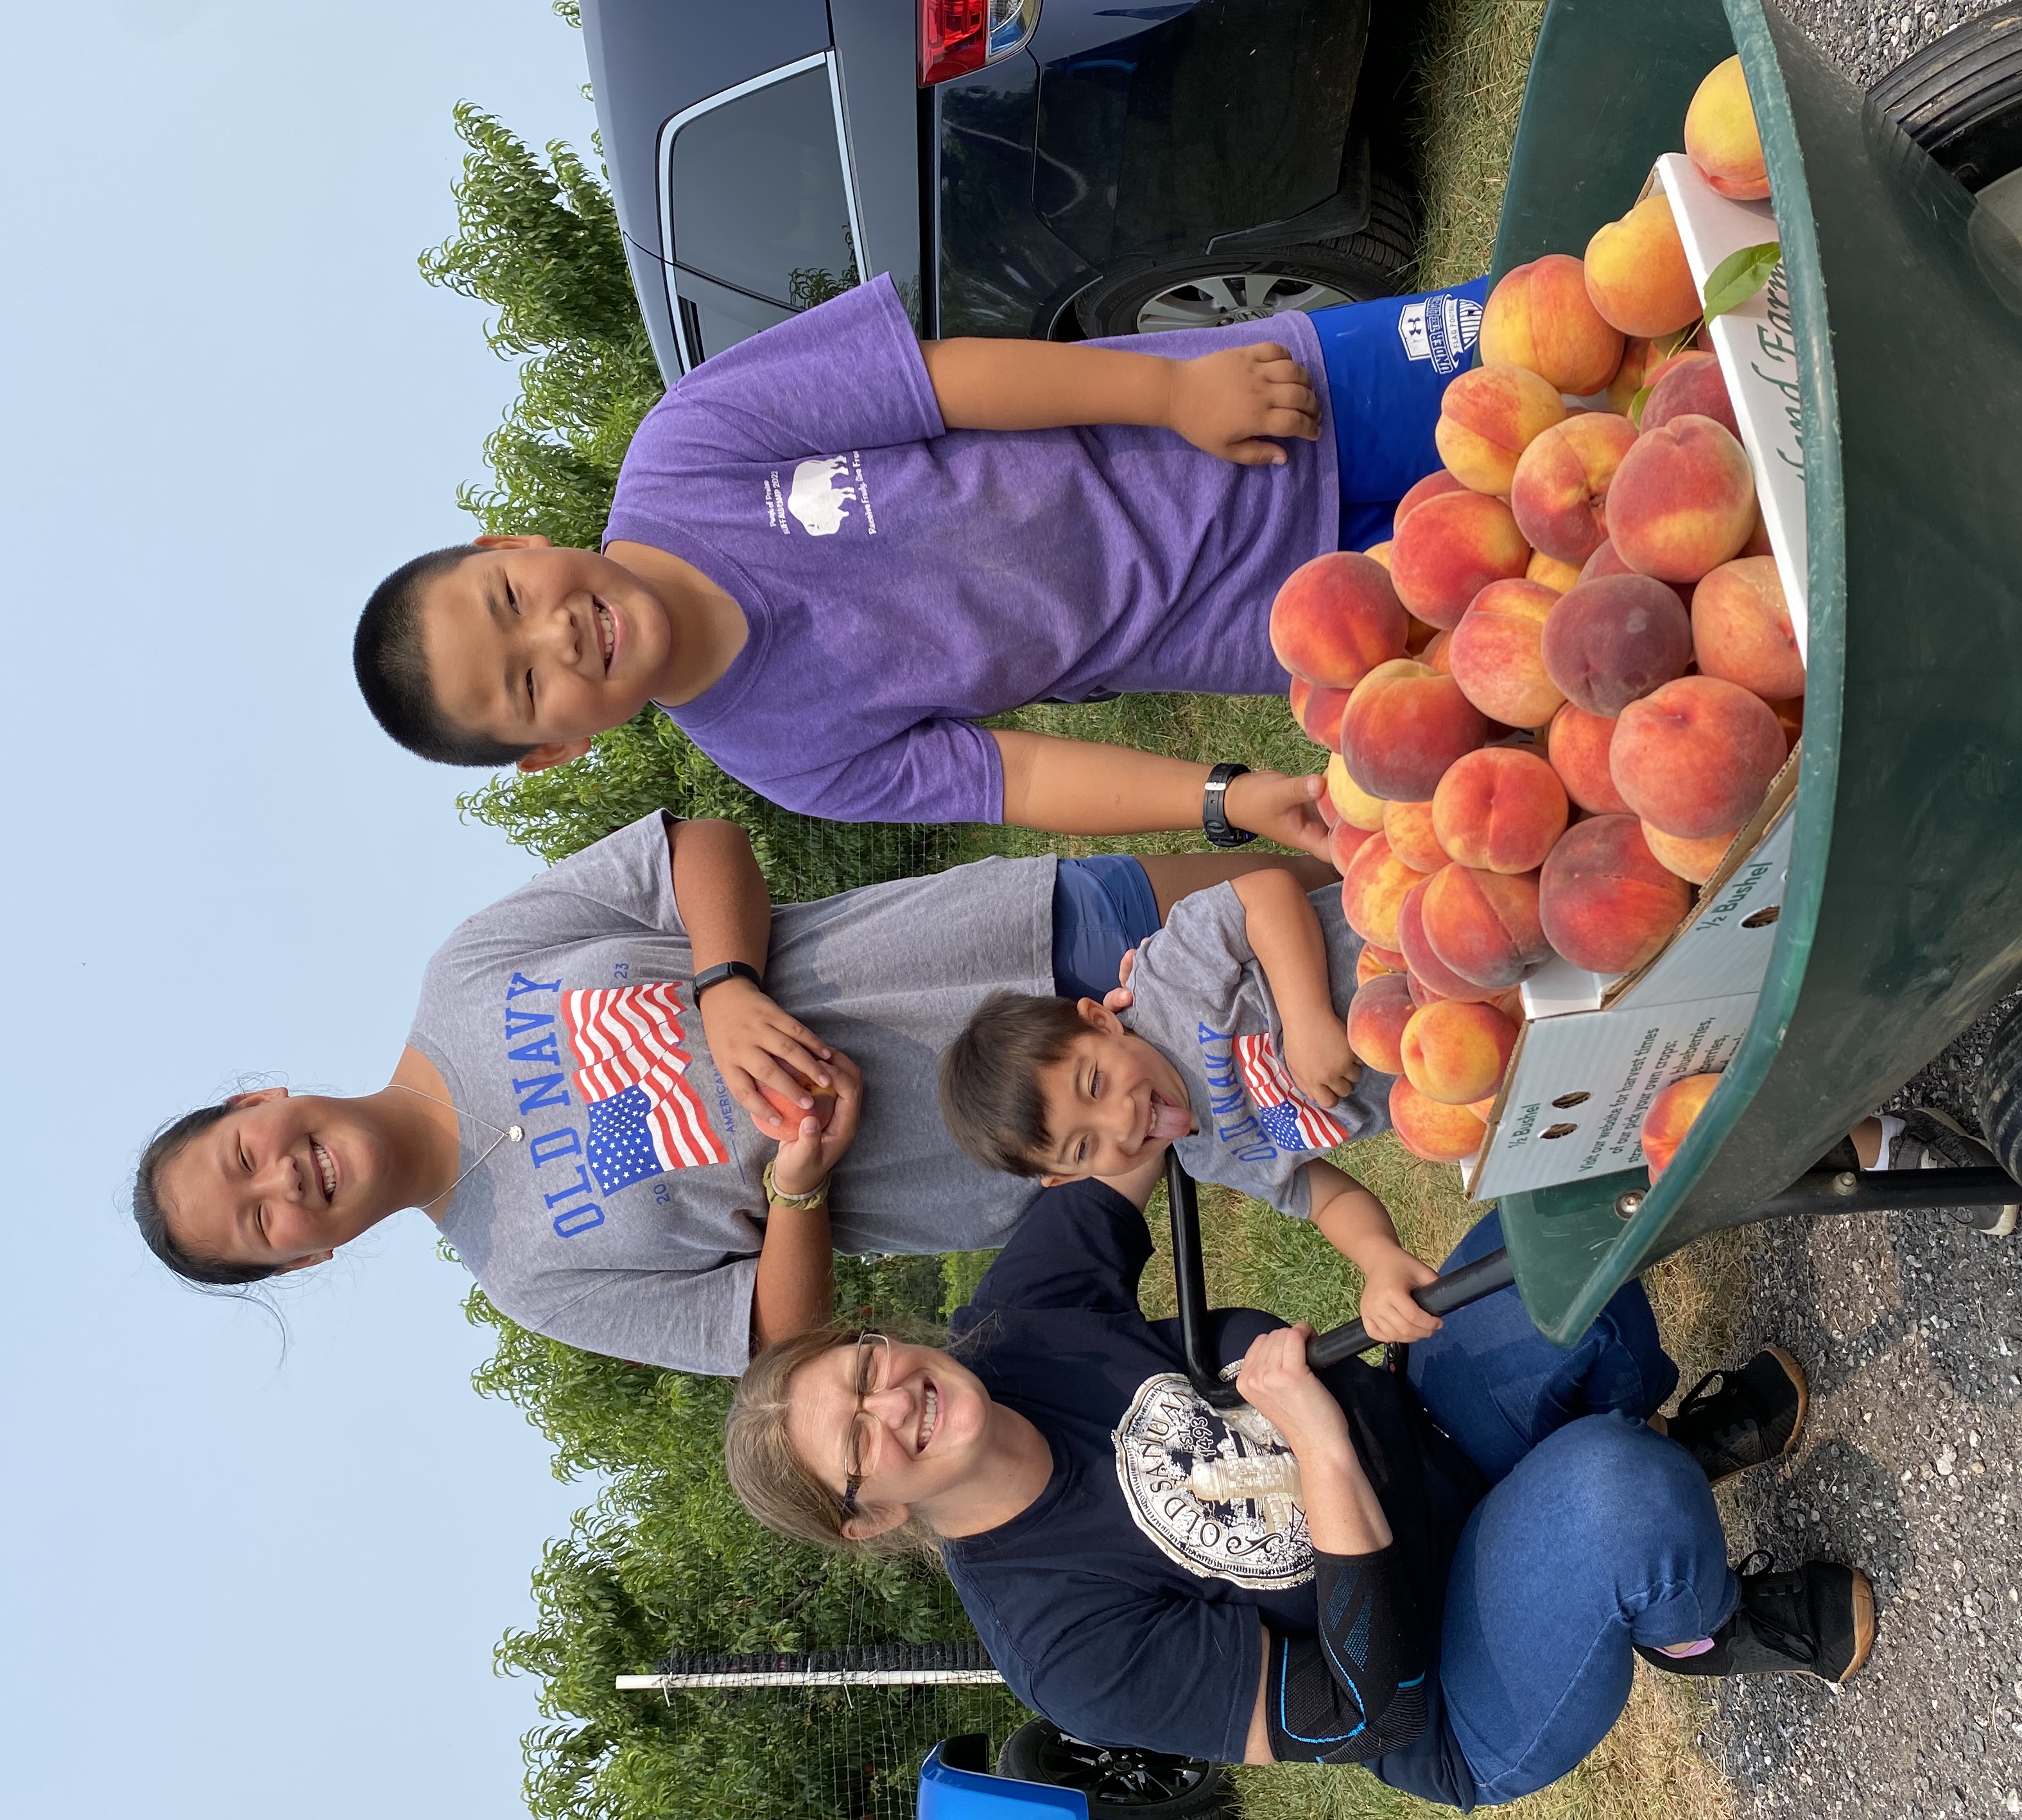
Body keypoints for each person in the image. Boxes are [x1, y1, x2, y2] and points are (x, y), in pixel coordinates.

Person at [724, 1173, 1876, 1808]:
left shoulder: (1016, 1324)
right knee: (1617, 1495)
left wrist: (1140, 1046)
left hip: (1435, 1446)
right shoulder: (1060, 1646)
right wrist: (1317, 1443)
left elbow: (1136, 1133)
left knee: (1559, 1219)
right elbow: (1372, 1710)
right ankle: (1693, 1622)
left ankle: (1661, 1461)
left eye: (863, 1370)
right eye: (858, 1444)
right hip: (1449, 1675)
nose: (893, 1402)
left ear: (878, 1338)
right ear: (868, 1514)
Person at [130, 807, 1320, 1374]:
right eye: (258, 1223)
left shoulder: (465, 972)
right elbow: (776, 1336)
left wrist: (725, 984)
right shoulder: (531, 1278)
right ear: (300, 1261)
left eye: (244, 1157)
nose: (281, 1180)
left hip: (1016, 938)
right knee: (1360, 1069)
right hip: (1075, 1124)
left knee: (1338, 884)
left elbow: (695, 844)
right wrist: (799, 1188)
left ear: (259, 1103)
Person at [350, 277, 1493, 844]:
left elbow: (938, 380)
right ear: (556, 746)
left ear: (516, 546)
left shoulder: (688, 446)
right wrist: (1224, 797)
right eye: (526, 684)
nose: (555, 633)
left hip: (1262, 402)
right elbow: (1021, 778)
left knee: (1591, 354)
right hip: (1269, 616)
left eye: (510, 600)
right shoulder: (782, 756)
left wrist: (1174, 388)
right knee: (1558, 584)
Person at [938, 866, 1444, 1347]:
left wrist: (1306, 1016)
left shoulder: (1164, 982)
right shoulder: (1210, 1156)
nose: (1122, 1121)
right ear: (1069, 1179)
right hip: (1451, 1071)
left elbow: (1265, 896)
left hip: (1427, 943)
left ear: (1099, 1021)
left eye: (1094, 1082)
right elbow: (1328, 1200)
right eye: (1085, 1146)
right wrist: (1378, 1258)